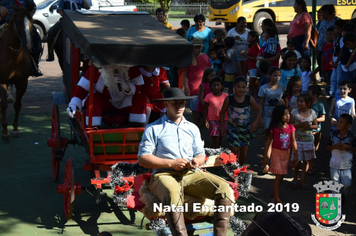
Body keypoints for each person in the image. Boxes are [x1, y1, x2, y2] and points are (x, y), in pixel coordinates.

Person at [137, 87, 234, 236]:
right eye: (175, 103)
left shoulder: (193, 128)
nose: (179, 107)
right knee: (172, 191)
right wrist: (171, 164)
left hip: (190, 173)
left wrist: (197, 161)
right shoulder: (153, 128)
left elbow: (201, 154)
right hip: (163, 175)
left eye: (182, 103)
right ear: (165, 105)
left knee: (224, 188)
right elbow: (143, 159)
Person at [67, 64, 147, 126]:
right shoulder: (96, 70)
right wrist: (74, 104)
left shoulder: (131, 69)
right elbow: (82, 89)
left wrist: (127, 86)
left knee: (141, 98)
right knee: (94, 99)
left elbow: (138, 87)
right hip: (105, 102)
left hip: (126, 102)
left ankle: (135, 127)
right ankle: (95, 129)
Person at [220, 76, 262, 165]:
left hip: (245, 129)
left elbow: (259, 109)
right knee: (234, 151)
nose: (241, 89)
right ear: (234, 87)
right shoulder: (229, 99)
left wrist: (255, 122)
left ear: (246, 87)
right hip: (232, 128)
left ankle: (240, 168)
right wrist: (222, 126)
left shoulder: (249, 98)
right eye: (238, 87)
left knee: (244, 152)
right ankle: (234, 168)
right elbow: (222, 112)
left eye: (243, 87)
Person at [263, 105, 297, 203]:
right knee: (278, 176)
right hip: (276, 154)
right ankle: (276, 197)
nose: (288, 116)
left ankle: (275, 191)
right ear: (279, 116)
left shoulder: (291, 128)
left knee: (282, 175)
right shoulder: (274, 129)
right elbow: (268, 143)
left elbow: (293, 142)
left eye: (288, 114)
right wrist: (266, 157)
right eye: (285, 114)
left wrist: (296, 155)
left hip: (286, 154)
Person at [0, 0, 43, 76]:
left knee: (37, 39)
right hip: (3, 23)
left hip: (22, 24)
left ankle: (34, 66)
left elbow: (33, 6)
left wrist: (28, 16)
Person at [290, 93, 318, 190]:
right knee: (297, 161)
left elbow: (316, 126)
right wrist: (300, 125)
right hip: (297, 140)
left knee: (306, 161)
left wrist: (309, 126)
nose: (299, 103)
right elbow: (291, 125)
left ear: (308, 103)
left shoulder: (312, 112)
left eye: (302, 101)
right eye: (298, 101)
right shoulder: (294, 112)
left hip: (308, 141)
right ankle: (295, 178)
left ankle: (303, 180)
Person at [183, 38, 212, 126]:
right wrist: (186, 88)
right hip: (194, 88)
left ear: (202, 47)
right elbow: (184, 75)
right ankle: (195, 125)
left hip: (206, 88)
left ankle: (203, 123)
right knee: (195, 109)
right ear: (192, 48)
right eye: (195, 48)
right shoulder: (188, 59)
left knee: (206, 107)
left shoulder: (205, 56)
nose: (197, 50)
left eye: (199, 47)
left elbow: (210, 71)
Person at [326, 114, 356, 197]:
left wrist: (348, 147)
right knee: (335, 187)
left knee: (347, 184)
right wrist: (334, 146)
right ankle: (333, 208)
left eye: (341, 122)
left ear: (348, 125)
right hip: (334, 164)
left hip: (346, 165)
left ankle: (343, 194)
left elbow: (355, 149)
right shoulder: (333, 134)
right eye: (338, 121)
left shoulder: (352, 137)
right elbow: (327, 147)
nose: (338, 123)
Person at [203, 77, 228, 148]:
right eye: (214, 85)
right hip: (212, 120)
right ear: (211, 87)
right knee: (215, 137)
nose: (216, 87)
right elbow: (205, 108)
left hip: (223, 120)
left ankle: (218, 149)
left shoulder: (226, 96)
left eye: (218, 85)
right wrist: (206, 120)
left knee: (221, 136)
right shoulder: (208, 96)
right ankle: (215, 149)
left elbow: (229, 108)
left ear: (222, 86)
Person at [258, 66, 284, 131]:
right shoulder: (263, 88)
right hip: (267, 115)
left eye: (279, 75)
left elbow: (282, 98)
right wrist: (259, 118)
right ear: (269, 75)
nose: (277, 77)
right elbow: (260, 104)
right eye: (275, 75)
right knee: (267, 133)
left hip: (278, 115)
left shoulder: (282, 87)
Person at [307, 85, 326, 175]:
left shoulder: (320, 105)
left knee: (314, 149)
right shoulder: (307, 103)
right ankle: (306, 166)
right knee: (307, 149)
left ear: (314, 95)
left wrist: (313, 119)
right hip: (307, 130)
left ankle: (311, 166)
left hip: (316, 130)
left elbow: (323, 118)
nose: (307, 94)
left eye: (309, 93)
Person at [241, 30, 260, 97]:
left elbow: (255, 58)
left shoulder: (255, 46)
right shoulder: (251, 46)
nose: (247, 38)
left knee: (251, 85)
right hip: (251, 67)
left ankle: (251, 99)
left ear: (254, 37)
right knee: (254, 85)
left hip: (254, 67)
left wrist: (245, 56)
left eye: (249, 36)